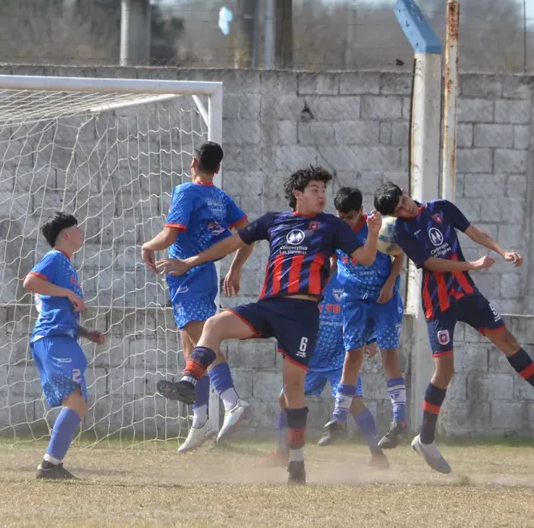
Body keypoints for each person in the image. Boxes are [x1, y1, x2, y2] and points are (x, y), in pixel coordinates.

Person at [155, 166, 382, 484]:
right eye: (314, 189)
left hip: (302, 314)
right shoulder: (274, 221)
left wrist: (373, 233)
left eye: (323, 190)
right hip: (269, 307)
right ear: (298, 194)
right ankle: (189, 383)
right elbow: (232, 243)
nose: (321, 195)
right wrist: (189, 262)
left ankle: (296, 463)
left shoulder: (332, 226)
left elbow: (366, 258)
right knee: (214, 324)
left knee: (292, 389)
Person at [373, 182, 534, 475]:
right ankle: (426, 439)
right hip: (439, 304)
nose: (405, 208)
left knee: (507, 340)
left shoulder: (440, 208)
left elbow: (473, 231)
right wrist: (472, 265)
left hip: (467, 294)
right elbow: (431, 263)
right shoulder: (401, 232)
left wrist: (503, 251)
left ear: (405, 191)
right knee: (445, 371)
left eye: (403, 200)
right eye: (398, 210)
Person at [141, 142, 250, 451]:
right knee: (190, 348)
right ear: (217, 168)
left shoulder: (186, 191)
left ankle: (232, 401)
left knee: (203, 341)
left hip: (186, 273)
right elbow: (248, 234)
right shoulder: (222, 198)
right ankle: (200, 420)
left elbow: (170, 236)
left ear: (193, 163)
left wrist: (147, 245)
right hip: (203, 274)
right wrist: (236, 268)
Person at [264, 275, 389, 469]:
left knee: (353, 401)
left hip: (339, 357)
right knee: (285, 399)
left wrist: (371, 340)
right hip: (309, 356)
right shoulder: (309, 279)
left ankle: (377, 455)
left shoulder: (349, 280)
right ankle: (282, 453)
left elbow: (364, 310)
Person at [320, 187, 408, 449]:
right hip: (354, 301)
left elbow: (398, 255)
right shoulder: (336, 231)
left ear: (360, 211)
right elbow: (334, 262)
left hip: (382, 299)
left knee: (389, 356)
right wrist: (321, 286)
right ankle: (338, 421)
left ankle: (400, 421)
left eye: (349, 216)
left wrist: (390, 284)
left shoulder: (377, 227)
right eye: (341, 217)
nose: (345, 222)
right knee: (352, 356)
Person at [23, 212, 106, 480]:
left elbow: (55, 309)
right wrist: (69, 293)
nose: (82, 232)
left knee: (78, 403)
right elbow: (29, 282)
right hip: (53, 339)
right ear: (67, 234)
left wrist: (86, 332)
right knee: (76, 401)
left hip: (60, 337)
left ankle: (52, 463)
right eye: (77, 228)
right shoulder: (55, 258)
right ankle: (49, 465)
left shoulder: (66, 264)